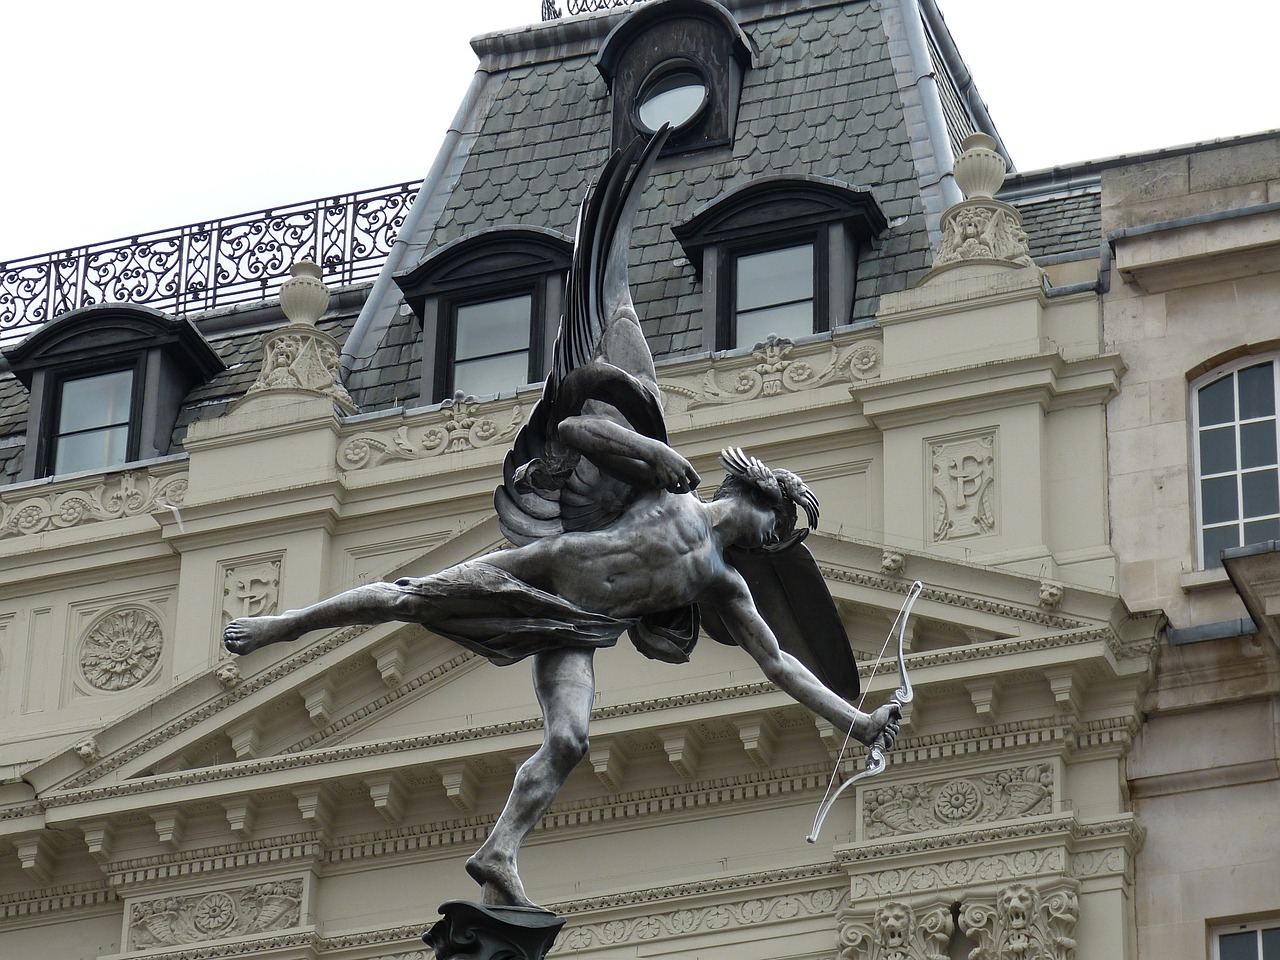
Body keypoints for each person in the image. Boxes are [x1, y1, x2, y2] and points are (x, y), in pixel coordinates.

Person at [224, 130, 899, 910]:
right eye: (784, 527)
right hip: (544, 569)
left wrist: (858, 720)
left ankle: (499, 852)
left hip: (570, 626)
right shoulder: (667, 491)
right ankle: (287, 623)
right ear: (764, 504)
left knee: (570, 738)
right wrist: (650, 453)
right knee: (412, 597)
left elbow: (781, 665)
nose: (781, 545)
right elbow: (576, 430)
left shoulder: (721, 587)